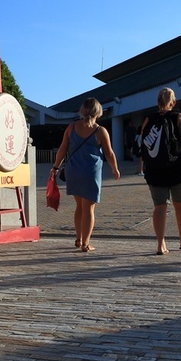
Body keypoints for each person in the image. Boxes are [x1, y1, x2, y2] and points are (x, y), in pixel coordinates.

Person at [51, 98, 121, 252]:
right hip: (90, 173)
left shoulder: (71, 127)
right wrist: (115, 168)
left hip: (73, 172)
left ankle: (78, 238)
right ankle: (86, 243)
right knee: (89, 209)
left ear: (81, 111)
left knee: (79, 207)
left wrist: (55, 167)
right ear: (98, 112)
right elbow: (109, 153)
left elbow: (62, 149)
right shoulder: (100, 131)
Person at [141, 87, 181, 255]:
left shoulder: (148, 119)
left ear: (158, 102)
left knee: (159, 207)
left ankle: (161, 244)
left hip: (154, 171)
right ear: (173, 102)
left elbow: (143, 146)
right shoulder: (179, 117)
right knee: (180, 205)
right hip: (178, 170)